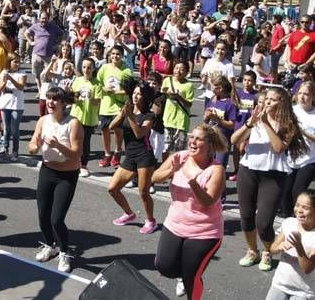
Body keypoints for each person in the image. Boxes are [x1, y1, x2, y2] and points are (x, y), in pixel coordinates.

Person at [231, 87, 308, 273]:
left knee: (264, 222)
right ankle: (252, 250)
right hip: (248, 169)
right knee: (246, 215)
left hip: (273, 175)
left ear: (282, 103)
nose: (268, 102)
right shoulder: (254, 118)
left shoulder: (288, 123)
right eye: (267, 99)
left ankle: (268, 250)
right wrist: (250, 124)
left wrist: (265, 123)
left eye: (273, 100)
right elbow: (234, 140)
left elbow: (278, 148)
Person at [153, 124, 227, 300]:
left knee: (191, 277)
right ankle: (183, 273)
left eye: (198, 139)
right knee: (164, 266)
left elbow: (208, 201)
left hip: (204, 232)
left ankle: (188, 279)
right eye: (191, 137)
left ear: (209, 145)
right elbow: (154, 177)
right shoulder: (179, 157)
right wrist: (172, 170)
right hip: (175, 224)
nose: (192, 142)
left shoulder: (216, 170)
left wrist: (193, 182)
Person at [29, 87, 83, 273]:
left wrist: (58, 145)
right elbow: (31, 146)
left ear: (63, 103)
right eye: (49, 98)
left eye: (55, 100)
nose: (50, 102)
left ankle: (64, 253)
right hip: (47, 171)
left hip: (66, 176)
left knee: (56, 219)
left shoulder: (73, 123)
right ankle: (49, 245)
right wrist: (34, 147)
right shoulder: (43, 120)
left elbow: (76, 155)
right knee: (42, 215)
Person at [108, 81, 158, 234]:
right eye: (135, 93)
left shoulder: (149, 115)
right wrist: (123, 114)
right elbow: (111, 126)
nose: (136, 96)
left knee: (143, 192)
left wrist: (130, 116)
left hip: (144, 156)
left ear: (145, 97)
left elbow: (140, 133)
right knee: (113, 189)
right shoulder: (128, 110)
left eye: (140, 94)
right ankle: (129, 214)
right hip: (130, 156)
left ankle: (151, 221)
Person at [266, 190, 315, 300]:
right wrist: (279, 247)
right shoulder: (289, 223)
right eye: (297, 205)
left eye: (305, 208)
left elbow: (307, 269)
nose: (299, 210)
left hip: (303, 292)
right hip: (280, 284)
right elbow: (272, 249)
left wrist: (299, 246)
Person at [282, 82, 315, 217]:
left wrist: (301, 131)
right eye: (300, 93)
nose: (302, 97)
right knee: (285, 192)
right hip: (290, 158)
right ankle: (287, 220)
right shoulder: (292, 110)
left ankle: (299, 221)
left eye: (306, 94)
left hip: (309, 160)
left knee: (298, 191)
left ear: (313, 96)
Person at [97, 45, 132, 167]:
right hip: (105, 105)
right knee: (105, 130)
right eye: (113, 54)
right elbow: (98, 84)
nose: (115, 56)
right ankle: (107, 154)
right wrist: (104, 89)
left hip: (119, 105)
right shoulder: (104, 68)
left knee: (118, 130)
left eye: (118, 54)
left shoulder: (126, 70)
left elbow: (130, 90)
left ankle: (117, 151)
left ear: (122, 56)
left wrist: (117, 92)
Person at [70, 57, 101, 177]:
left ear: (93, 69)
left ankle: (83, 165)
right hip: (76, 115)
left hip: (89, 117)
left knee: (85, 142)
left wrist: (91, 96)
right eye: (84, 67)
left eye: (89, 67)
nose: (86, 69)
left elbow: (96, 102)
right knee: (73, 140)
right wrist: (74, 97)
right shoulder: (77, 80)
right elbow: (72, 97)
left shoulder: (97, 83)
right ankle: (73, 161)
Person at [0, 53, 27, 162]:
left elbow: (21, 87)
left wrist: (10, 79)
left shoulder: (22, 73)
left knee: (14, 129)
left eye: (18, 62)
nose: (17, 64)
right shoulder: (4, 72)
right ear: (9, 62)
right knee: (6, 128)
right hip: (5, 103)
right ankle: (5, 148)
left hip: (17, 104)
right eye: (15, 62)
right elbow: (1, 88)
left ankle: (15, 151)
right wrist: (2, 85)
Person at [162, 62, 195, 160]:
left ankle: (176, 170)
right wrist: (165, 91)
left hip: (182, 121)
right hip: (168, 119)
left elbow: (189, 104)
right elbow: (162, 93)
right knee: (165, 148)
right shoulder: (167, 80)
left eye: (182, 69)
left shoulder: (189, 85)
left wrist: (179, 97)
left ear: (186, 72)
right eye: (176, 68)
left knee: (179, 149)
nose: (178, 71)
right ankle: (165, 167)